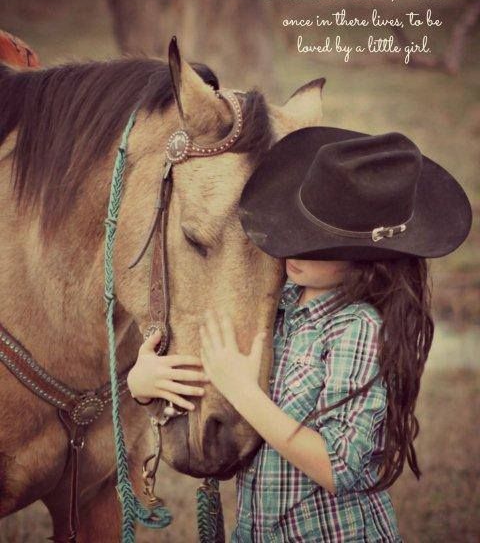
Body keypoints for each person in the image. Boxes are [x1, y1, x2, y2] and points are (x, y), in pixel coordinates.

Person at [127, 127, 472, 542]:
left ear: (366, 260)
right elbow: (217, 388)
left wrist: (245, 393)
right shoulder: (275, 304)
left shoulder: (357, 329)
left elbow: (338, 467)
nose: (293, 248)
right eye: (297, 228)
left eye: (318, 245)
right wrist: (145, 387)